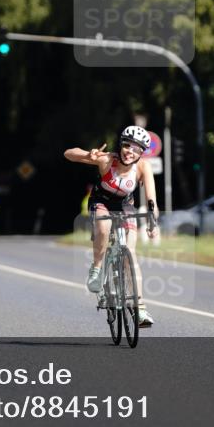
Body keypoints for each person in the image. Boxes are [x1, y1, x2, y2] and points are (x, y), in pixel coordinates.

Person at [63, 125, 159, 327]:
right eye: (127, 146)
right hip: (101, 201)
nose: (130, 152)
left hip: (125, 206)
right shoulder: (107, 159)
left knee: (130, 256)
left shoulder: (143, 167)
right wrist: (89, 154)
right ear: (120, 145)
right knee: (104, 227)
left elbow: (151, 200)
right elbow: (69, 154)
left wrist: (153, 222)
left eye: (137, 149)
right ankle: (97, 269)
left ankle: (140, 309)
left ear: (141, 153)